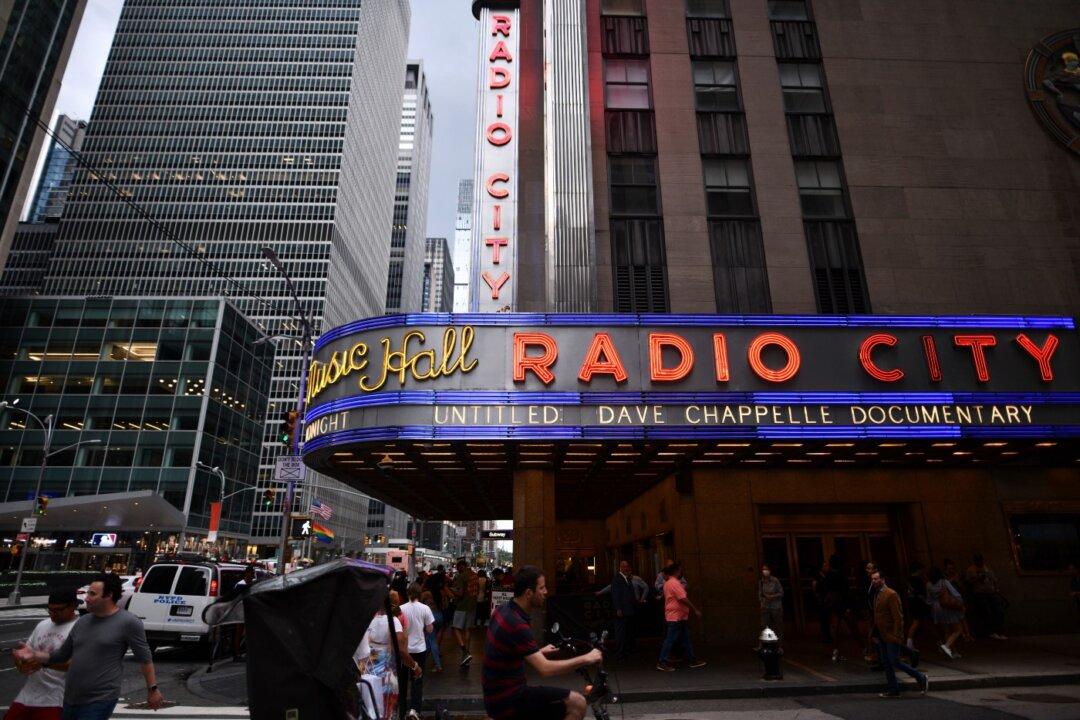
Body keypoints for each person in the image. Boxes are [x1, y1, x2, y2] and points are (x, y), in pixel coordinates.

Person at [14, 574, 164, 719]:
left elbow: (145, 659)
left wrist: (153, 690)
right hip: (70, 698)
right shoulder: (82, 621)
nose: (86, 598)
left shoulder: (128, 622)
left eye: (92, 594)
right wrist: (35, 654)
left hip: (100, 699)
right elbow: (61, 655)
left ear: (108, 595)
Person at [482, 565, 601, 720]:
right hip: (509, 699)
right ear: (529, 593)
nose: (546, 592)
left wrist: (537, 652)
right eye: (542, 588)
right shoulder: (516, 624)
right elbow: (545, 669)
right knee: (577, 703)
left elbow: (505, 650)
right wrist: (587, 658)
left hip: (495, 695)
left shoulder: (502, 610)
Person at [6, 588, 78, 720]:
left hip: (57, 698)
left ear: (73, 606)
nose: (53, 614)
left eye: (58, 610)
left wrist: (43, 663)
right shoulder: (42, 625)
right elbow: (27, 653)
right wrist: (20, 662)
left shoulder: (79, 627)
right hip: (28, 695)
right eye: (50, 610)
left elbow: (77, 664)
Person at [870, 571, 929, 698]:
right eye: (872, 579)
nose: (873, 581)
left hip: (891, 634)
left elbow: (898, 617)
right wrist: (875, 633)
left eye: (876, 579)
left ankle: (920, 677)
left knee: (894, 661)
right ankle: (893, 689)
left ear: (883, 579)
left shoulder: (890, 594)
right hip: (881, 634)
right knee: (886, 663)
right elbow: (878, 616)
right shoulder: (876, 594)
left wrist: (897, 635)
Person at [361, 595, 421, 720]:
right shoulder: (393, 621)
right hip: (386, 671)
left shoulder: (368, 620)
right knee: (388, 706)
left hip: (368, 670)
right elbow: (401, 650)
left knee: (371, 705)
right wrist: (415, 666)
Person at [656, 563, 706, 672]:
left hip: (678, 616)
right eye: (680, 570)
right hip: (676, 617)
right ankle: (662, 661)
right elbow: (683, 598)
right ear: (676, 571)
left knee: (686, 639)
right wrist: (695, 609)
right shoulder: (674, 583)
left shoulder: (668, 583)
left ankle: (692, 660)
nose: (681, 572)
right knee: (670, 639)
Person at [400, 584, 435, 720]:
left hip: (405, 650)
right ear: (420, 594)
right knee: (417, 679)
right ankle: (415, 710)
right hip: (420, 649)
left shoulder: (401, 609)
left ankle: (401, 709)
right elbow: (430, 629)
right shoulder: (425, 608)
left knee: (402, 680)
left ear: (408, 593)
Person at [965, 553, 1008, 640]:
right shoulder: (971, 570)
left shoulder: (987, 569)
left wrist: (996, 590)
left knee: (998, 611)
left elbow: (993, 579)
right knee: (987, 612)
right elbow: (968, 582)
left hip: (991, 592)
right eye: (978, 560)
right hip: (980, 593)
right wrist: (978, 578)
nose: (980, 562)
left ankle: (999, 631)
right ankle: (991, 632)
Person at [926, 566, 965, 659]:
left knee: (947, 630)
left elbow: (928, 600)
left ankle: (953, 652)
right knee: (958, 629)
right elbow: (955, 593)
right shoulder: (944, 582)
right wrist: (960, 603)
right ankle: (946, 646)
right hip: (947, 606)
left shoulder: (928, 585)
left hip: (936, 608)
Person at [450, 560, 479, 666]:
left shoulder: (462, 577)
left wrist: (452, 590)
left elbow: (460, 593)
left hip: (462, 606)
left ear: (462, 566)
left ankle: (464, 651)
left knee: (455, 628)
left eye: (458, 567)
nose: (457, 569)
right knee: (467, 629)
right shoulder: (475, 576)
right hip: (472, 606)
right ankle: (466, 657)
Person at [608, 561, 639, 659]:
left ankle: (625, 651)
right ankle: (620, 653)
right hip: (622, 610)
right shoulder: (617, 579)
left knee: (626, 632)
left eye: (627, 566)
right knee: (620, 632)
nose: (626, 568)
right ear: (620, 568)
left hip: (628, 610)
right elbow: (616, 595)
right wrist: (618, 609)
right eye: (624, 567)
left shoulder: (627, 579)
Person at [904, 562, 930, 652]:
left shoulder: (908, 580)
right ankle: (909, 643)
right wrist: (927, 602)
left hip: (912, 603)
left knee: (916, 622)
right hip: (918, 603)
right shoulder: (918, 580)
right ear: (918, 570)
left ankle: (910, 643)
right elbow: (921, 594)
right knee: (917, 623)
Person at [758, 564, 784, 643]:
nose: (765, 571)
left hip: (776, 607)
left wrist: (772, 596)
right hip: (765, 607)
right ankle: (763, 645)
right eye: (763, 570)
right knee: (764, 626)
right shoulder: (761, 582)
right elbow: (760, 594)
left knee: (778, 626)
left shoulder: (775, 580)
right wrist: (762, 602)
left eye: (766, 569)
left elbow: (781, 593)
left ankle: (779, 645)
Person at [420, 590, 443, 672]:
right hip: (440, 617)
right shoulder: (434, 601)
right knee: (429, 641)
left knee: (432, 641)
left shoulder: (425, 603)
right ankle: (421, 661)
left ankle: (438, 665)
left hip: (432, 619)